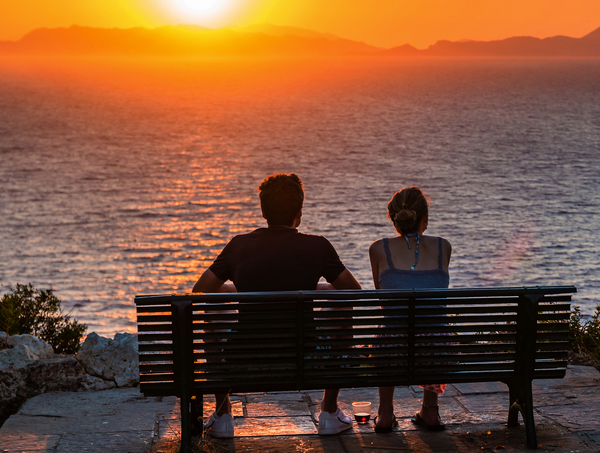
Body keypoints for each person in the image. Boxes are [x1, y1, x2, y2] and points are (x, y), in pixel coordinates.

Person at [192, 173, 362, 438]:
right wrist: (317, 289)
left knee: (213, 307)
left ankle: (223, 415)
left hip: (244, 356)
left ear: (263, 210)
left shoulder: (239, 246)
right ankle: (329, 412)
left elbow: (200, 291)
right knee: (340, 304)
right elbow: (353, 292)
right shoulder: (317, 246)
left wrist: (239, 289)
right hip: (306, 356)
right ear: (299, 212)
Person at [368, 186, 452, 433]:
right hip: (435, 350)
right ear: (424, 218)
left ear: (394, 219)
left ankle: (384, 414)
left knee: (391, 328)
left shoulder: (378, 249)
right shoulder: (443, 247)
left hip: (394, 349)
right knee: (433, 329)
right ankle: (430, 411)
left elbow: (384, 301)